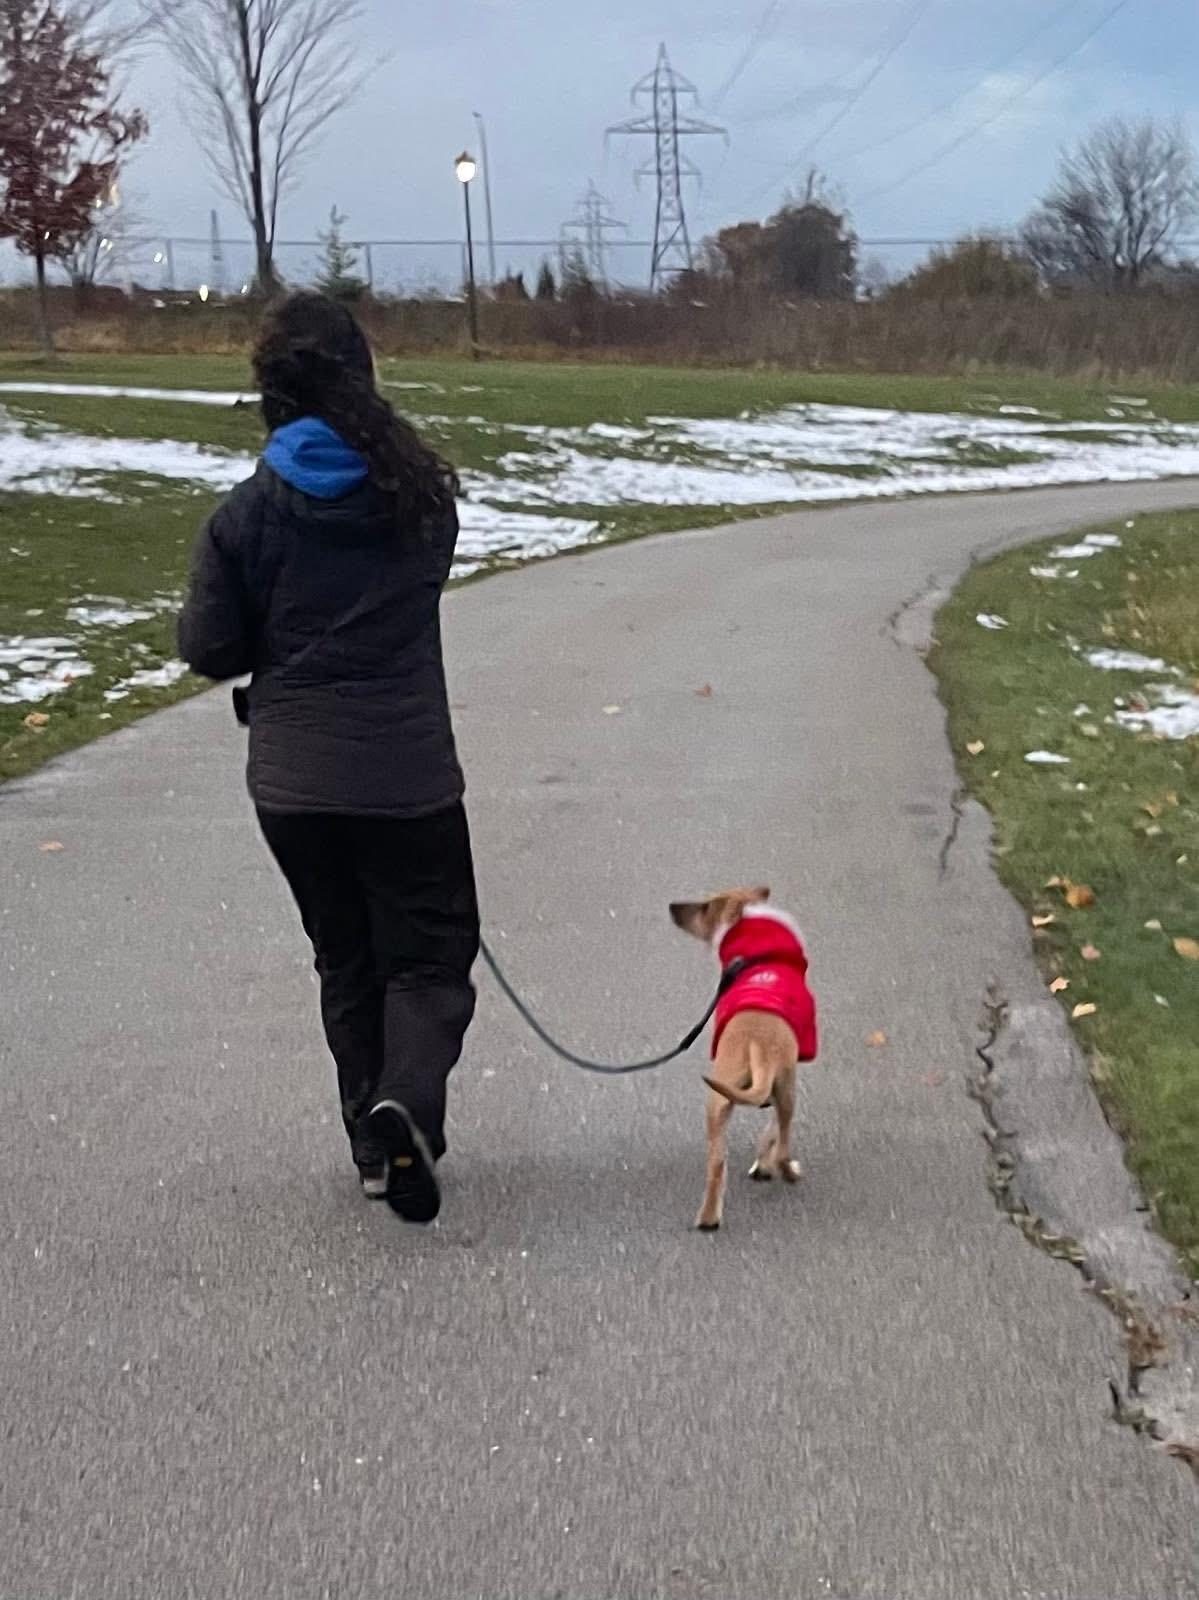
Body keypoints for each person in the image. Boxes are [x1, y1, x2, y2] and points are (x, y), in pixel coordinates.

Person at [179, 291, 478, 1225]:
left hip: (294, 781)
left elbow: (210, 647)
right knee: (427, 960)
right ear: (365, 377)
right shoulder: (420, 502)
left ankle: (372, 1147)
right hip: (406, 774)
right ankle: (409, 1110)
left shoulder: (245, 518)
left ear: (270, 390)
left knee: (344, 958)